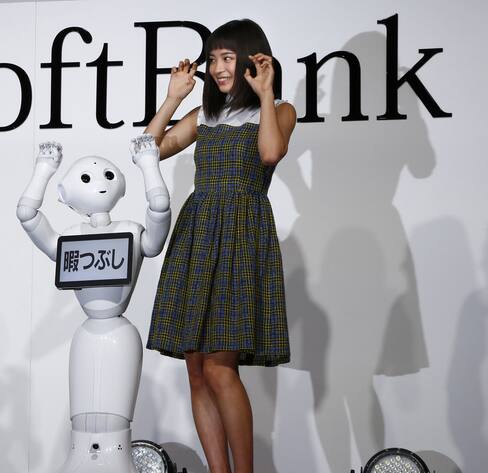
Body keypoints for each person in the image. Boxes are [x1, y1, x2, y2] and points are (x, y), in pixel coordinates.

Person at [143, 19, 296, 473]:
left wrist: (266, 93)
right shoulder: (204, 115)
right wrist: (173, 97)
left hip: (241, 233)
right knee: (195, 368)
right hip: (197, 233)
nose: (218, 68)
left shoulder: (280, 110)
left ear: (252, 58)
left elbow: (270, 154)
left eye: (227, 57)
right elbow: (147, 148)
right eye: (213, 59)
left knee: (219, 367)